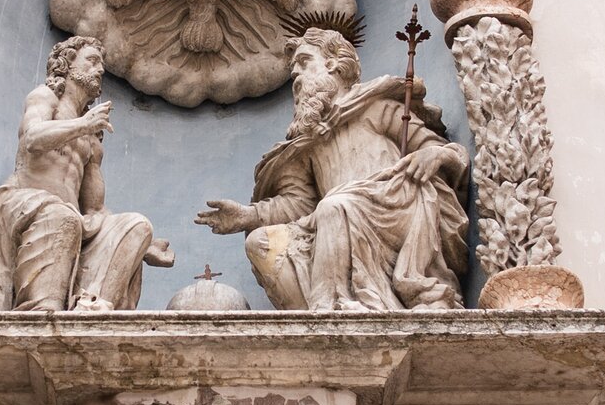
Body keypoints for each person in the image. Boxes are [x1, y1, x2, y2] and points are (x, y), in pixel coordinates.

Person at [196, 28, 469, 310]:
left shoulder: (375, 108)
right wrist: (248, 216)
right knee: (261, 243)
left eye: (304, 62)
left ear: (334, 64)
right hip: (338, 216)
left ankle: (328, 311)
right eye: (293, 69)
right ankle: (314, 320)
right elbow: (299, 203)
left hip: (396, 206)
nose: (295, 75)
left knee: (334, 206)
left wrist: (435, 155)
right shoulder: (306, 140)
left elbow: (449, 152)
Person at [0, 36, 173, 310]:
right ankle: (39, 308)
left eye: (102, 64)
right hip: (22, 203)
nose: (99, 70)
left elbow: (95, 210)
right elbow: (32, 138)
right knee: (61, 215)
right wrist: (83, 124)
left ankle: (93, 307)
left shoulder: (92, 139)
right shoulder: (46, 97)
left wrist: (142, 245)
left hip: (70, 217)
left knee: (136, 225)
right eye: (91, 61)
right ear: (67, 64)